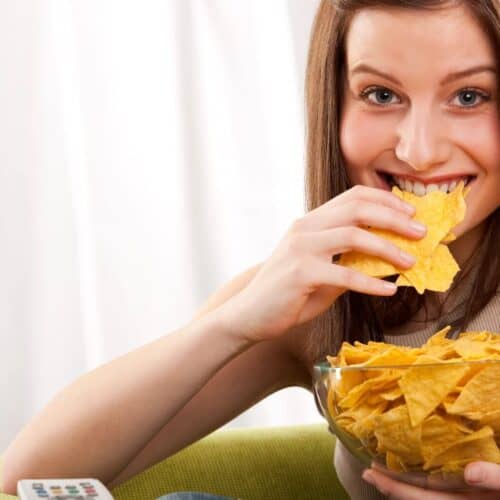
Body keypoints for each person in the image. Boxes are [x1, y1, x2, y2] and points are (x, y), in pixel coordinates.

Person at [2, 0, 500, 499]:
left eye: (470, 96)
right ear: (335, 106)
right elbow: (26, 477)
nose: (419, 149)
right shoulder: (318, 301)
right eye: (380, 93)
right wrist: (234, 323)